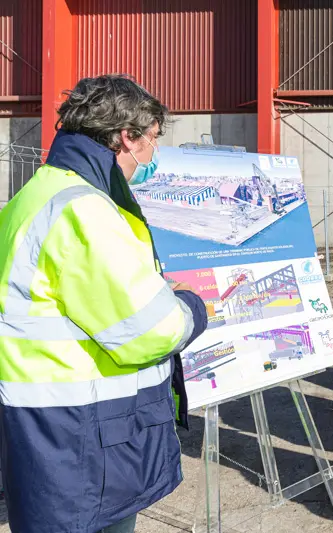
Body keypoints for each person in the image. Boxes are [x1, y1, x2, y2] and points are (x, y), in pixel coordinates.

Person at [0, 75, 209, 533]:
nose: (152, 154)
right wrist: (191, 306)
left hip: (42, 436)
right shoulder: (84, 210)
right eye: (152, 139)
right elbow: (151, 331)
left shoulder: (29, 199)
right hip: (84, 445)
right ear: (125, 137)